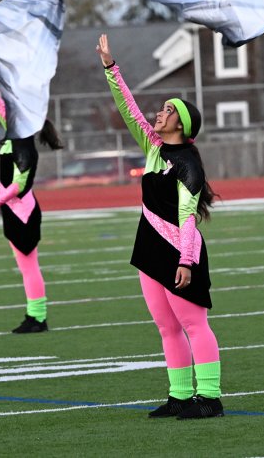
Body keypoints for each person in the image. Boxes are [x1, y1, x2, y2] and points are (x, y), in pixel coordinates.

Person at [96, 34, 224, 419]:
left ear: (182, 124)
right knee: (167, 327)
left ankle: (211, 398)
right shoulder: (154, 147)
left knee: (192, 323)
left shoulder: (188, 164)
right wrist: (110, 67)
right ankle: (180, 396)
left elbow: (187, 215)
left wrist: (186, 261)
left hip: (179, 254)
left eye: (169, 110)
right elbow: (128, 107)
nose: (160, 112)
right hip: (149, 250)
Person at [0, 60, 63, 333]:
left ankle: (38, 317)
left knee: (29, 266)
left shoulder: (25, 147)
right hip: (13, 212)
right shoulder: (15, 134)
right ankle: (34, 315)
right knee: (26, 267)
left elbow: (17, 187)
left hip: (22, 213)